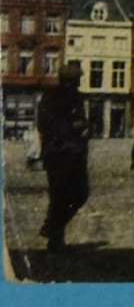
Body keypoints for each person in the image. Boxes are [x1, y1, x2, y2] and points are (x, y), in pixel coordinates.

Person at [36, 62, 90, 253]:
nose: (78, 82)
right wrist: (76, 128)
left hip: (58, 154)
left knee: (61, 196)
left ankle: (53, 232)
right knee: (77, 194)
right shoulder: (69, 97)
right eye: (77, 79)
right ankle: (54, 233)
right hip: (66, 153)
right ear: (71, 80)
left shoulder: (48, 97)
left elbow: (43, 123)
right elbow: (58, 124)